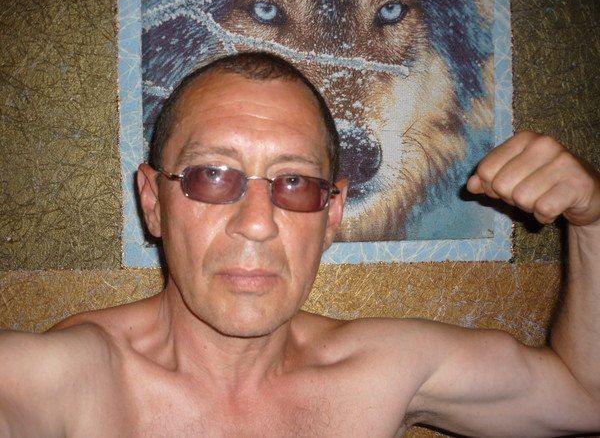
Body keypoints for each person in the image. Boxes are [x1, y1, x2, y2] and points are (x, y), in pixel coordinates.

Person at [1, 52, 599, 437]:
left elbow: (584, 396)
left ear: (332, 212)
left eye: (294, 183)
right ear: (154, 201)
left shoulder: (378, 373)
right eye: (213, 175)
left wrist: (592, 221)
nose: (257, 224)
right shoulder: (68, 383)